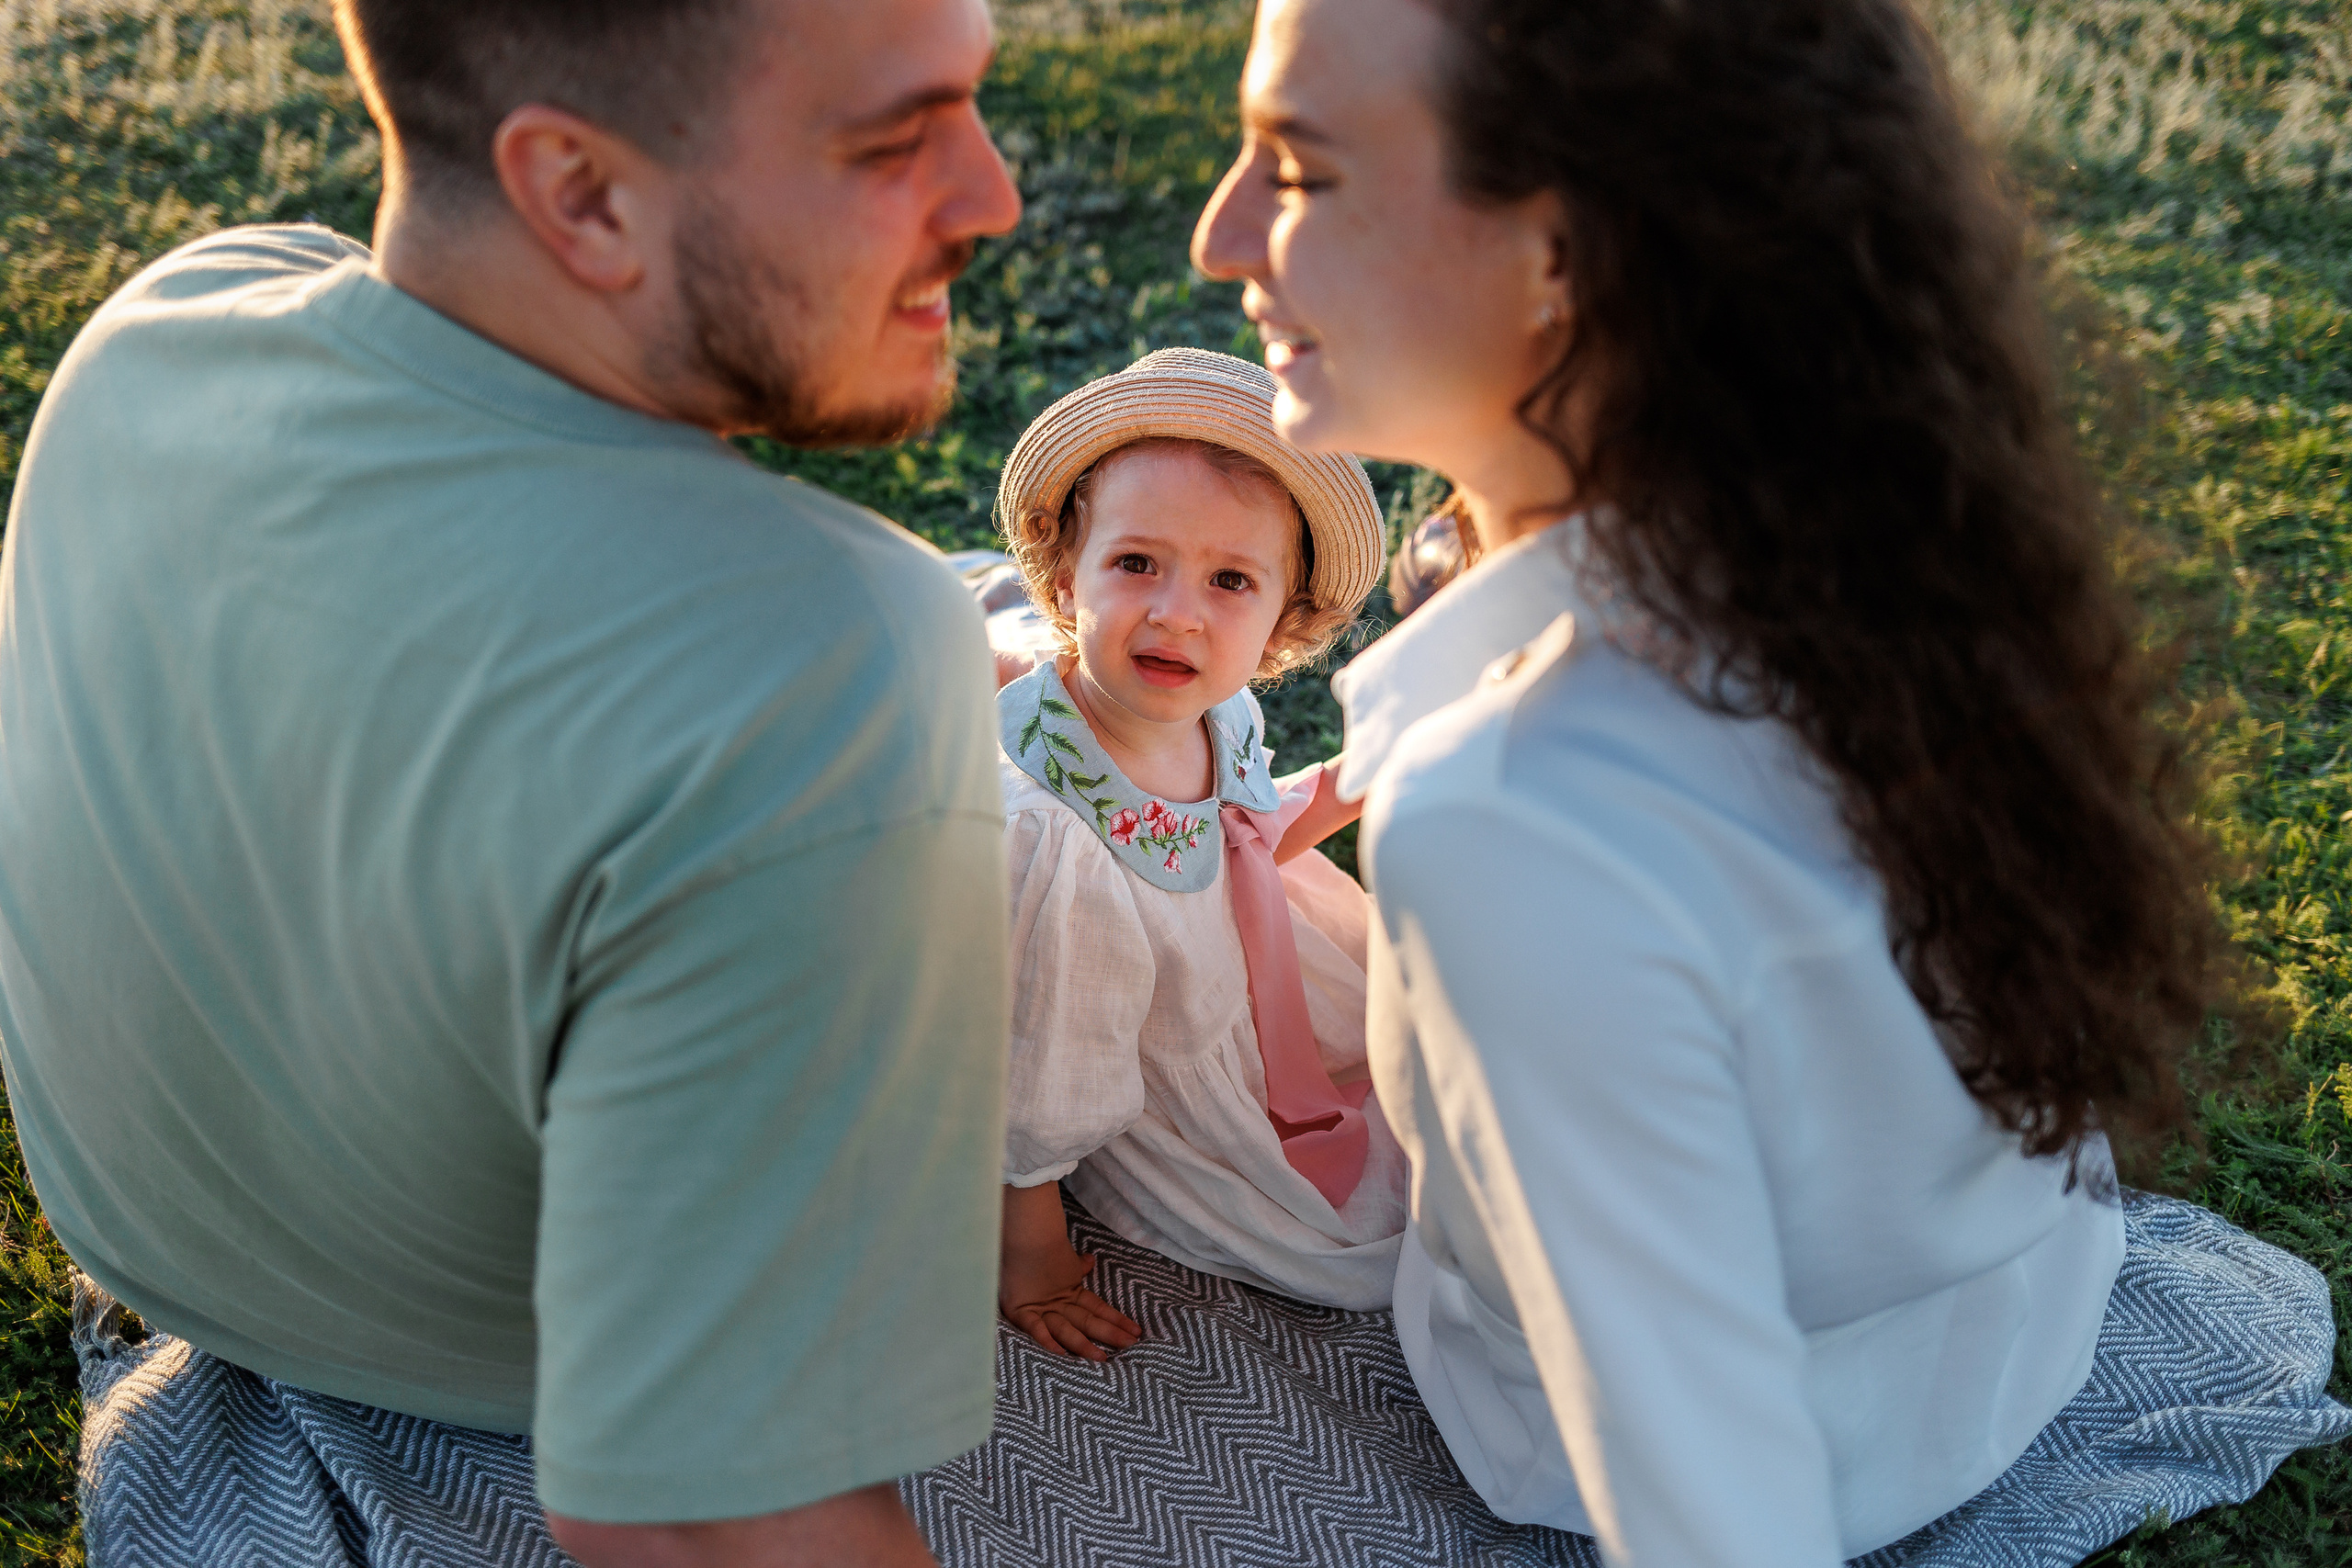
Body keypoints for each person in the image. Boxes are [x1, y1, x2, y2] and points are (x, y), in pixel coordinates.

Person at [1193, 0, 2352, 1564]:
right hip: (2011, 1337)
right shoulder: (1863, 530)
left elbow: (1715, 1502)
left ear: (1570, 251)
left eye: (1303, 169)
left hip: (1731, 1447)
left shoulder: (1516, 822)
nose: (1222, 234)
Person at [0, 0, 1022, 1562]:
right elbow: (699, 1521)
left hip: (162, 1253)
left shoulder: (165, 321)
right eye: (896, 140)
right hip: (492, 1391)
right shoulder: (824, 656)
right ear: (586, 194)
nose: (991, 196)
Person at [987, 349, 1403, 1361]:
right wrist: (1032, 1250)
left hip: (1254, 981)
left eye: (1230, 581)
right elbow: (1040, 1058)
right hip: (1149, 1047)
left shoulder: (1219, 709)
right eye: (1137, 564)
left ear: (1279, 624)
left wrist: (1361, 772)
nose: (1177, 611)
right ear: (1061, 572)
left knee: (1445, 1085)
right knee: (1359, 1238)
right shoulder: (1056, 838)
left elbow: (1242, 844)